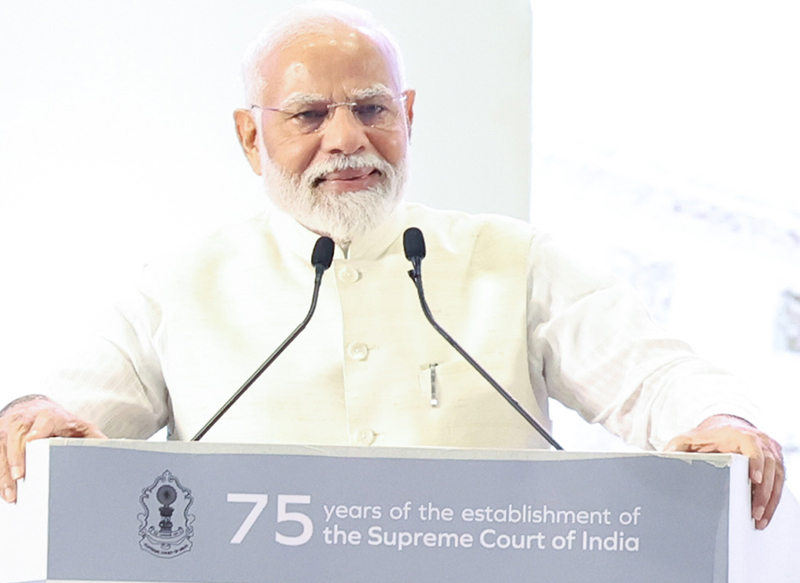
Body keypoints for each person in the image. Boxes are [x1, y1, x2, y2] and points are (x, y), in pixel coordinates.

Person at [0, 1, 784, 529]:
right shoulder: (179, 285)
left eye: (372, 108)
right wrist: (31, 416)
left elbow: (658, 376)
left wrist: (723, 420)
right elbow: (60, 410)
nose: (347, 139)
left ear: (407, 116)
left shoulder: (512, 260)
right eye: (309, 114)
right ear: (250, 137)